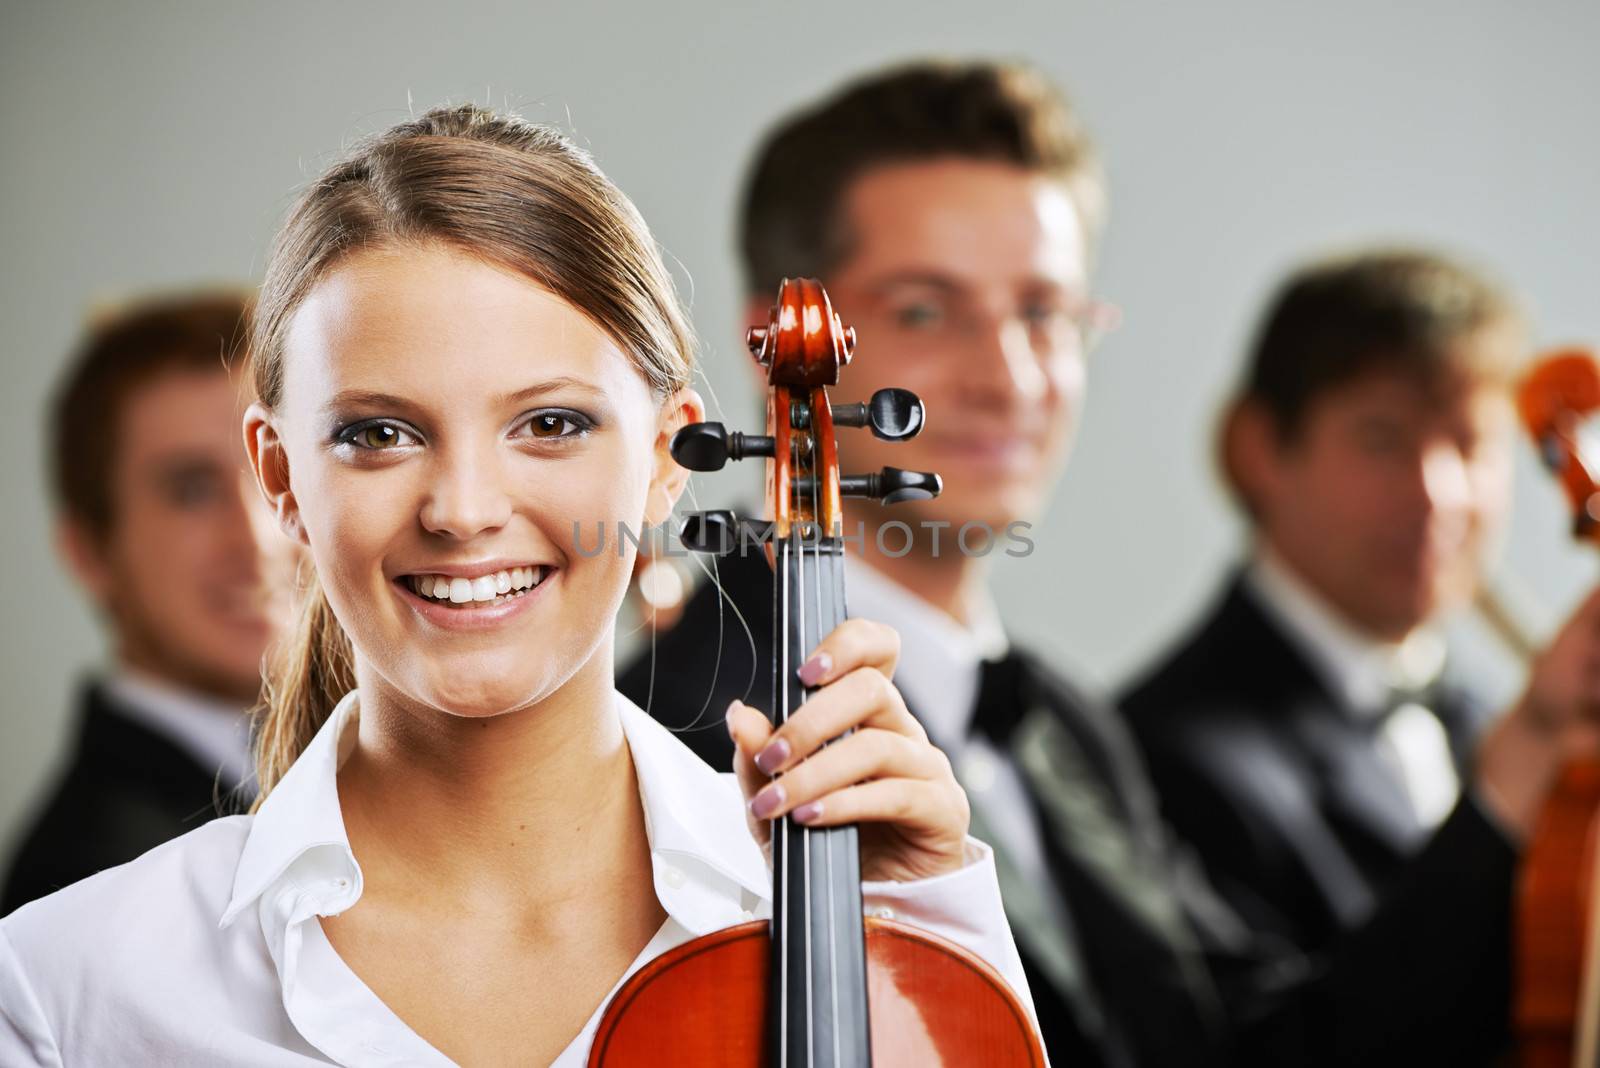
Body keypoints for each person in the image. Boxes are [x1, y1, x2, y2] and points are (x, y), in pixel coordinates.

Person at [0, 105, 1035, 1066]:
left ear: (670, 456)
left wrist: (932, 929)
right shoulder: (68, 986)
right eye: (379, 434)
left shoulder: (861, 911)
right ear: (280, 478)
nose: (461, 508)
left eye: (549, 424)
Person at [619, 60, 1600, 1066]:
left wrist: (1530, 749)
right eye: (924, 309)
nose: (1006, 376)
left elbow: (1270, 1051)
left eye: (1043, 312)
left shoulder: (1068, 726)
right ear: (779, 341)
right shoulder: (660, 731)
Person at [1117, 250, 1551, 948]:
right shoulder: (1156, 764)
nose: (1438, 496)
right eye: (1382, 439)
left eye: (1471, 443)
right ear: (1257, 448)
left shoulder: (1490, 719)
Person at [2, 292, 296, 913]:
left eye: (281, 469)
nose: (260, 537)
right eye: (191, 490)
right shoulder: (91, 884)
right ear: (89, 553)